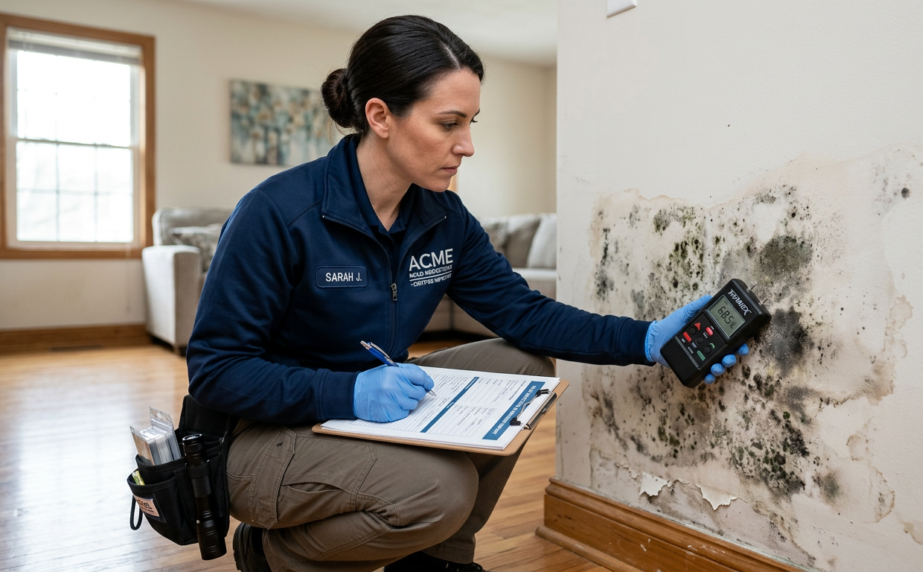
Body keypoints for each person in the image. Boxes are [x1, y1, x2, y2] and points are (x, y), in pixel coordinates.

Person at [186, 15, 747, 572]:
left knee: (524, 362)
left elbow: (523, 313)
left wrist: (647, 339)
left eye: (471, 122)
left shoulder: (441, 216)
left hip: (359, 413)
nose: (468, 145)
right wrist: (349, 393)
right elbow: (215, 370)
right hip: (262, 438)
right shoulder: (279, 213)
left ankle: (435, 560)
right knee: (440, 489)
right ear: (380, 116)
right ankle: (274, 554)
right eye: (449, 123)